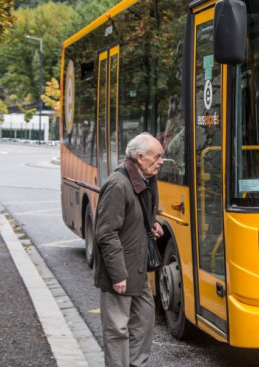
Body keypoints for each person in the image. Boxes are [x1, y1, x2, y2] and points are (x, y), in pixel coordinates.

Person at [93, 132, 164, 367]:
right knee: (117, 330)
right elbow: (106, 233)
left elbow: (138, 212)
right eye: (157, 157)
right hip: (120, 272)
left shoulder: (144, 179)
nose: (161, 161)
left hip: (138, 267)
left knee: (144, 322)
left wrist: (151, 222)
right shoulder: (117, 185)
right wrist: (118, 274)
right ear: (140, 157)